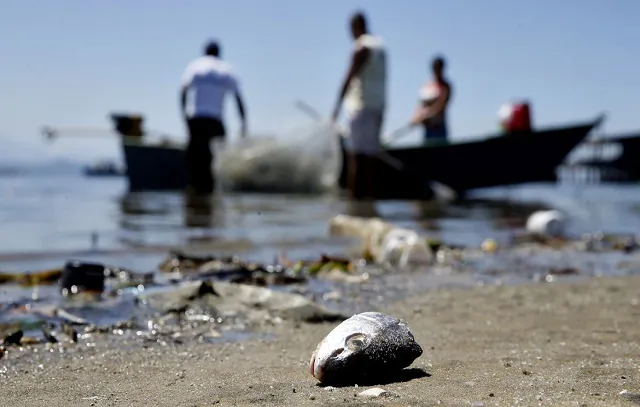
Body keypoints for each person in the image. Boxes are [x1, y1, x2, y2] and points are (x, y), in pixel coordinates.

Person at [331, 11, 387, 200]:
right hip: (378, 106)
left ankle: (355, 203)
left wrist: (337, 106)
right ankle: (368, 202)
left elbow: (350, 76)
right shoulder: (380, 45)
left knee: (356, 157)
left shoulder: (361, 47)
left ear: (356, 26)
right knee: (370, 157)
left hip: (361, 107)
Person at [179, 39, 247, 194]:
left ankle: (195, 192)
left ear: (205, 51)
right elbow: (238, 98)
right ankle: (213, 194)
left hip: (196, 119)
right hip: (215, 121)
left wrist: (184, 116)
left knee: (195, 159)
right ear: (219, 53)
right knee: (216, 159)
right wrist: (243, 123)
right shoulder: (226, 70)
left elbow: (183, 91)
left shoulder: (195, 66)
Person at [411, 56, 452, 142]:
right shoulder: (428, 86)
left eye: (439, 68)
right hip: (428, 128)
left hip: (439, 127)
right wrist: (416, 118)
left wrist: (429, 115)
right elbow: (421, 104)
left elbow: (442, 104)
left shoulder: (446, 86)